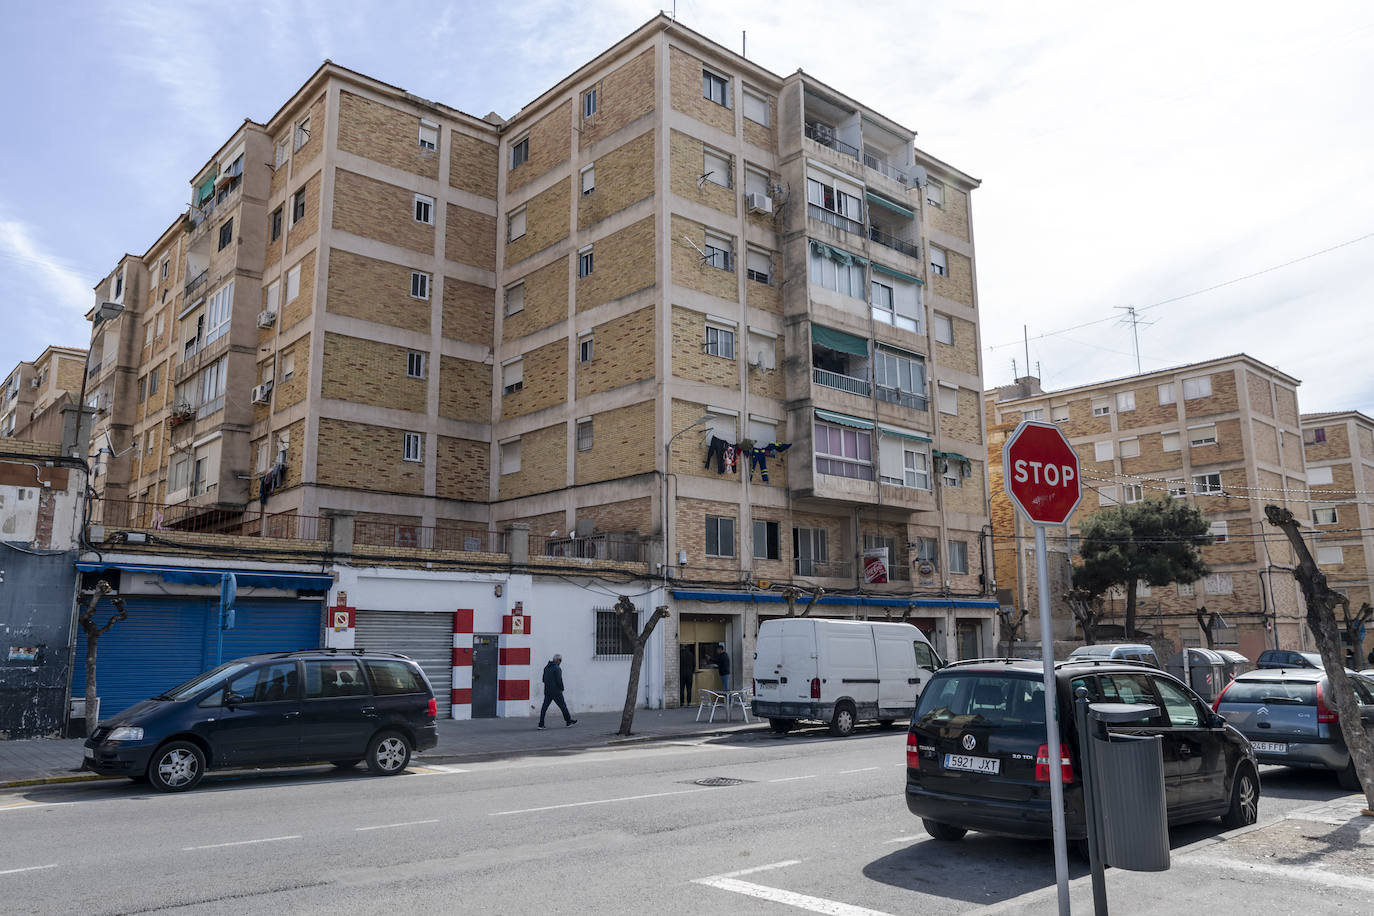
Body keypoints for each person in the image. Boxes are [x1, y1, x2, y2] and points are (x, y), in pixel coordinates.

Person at [538, 654, 577, 728]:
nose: (561, 662)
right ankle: (568, 722)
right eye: (560, 660)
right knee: (563, 706)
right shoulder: (557, 668)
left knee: (544, 707)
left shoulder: (546, 667)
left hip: (547, 691)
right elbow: (559, 680)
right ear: (558, 660)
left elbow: (543, 679)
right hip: (556, 691)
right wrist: (562, 688)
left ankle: (541, 724)